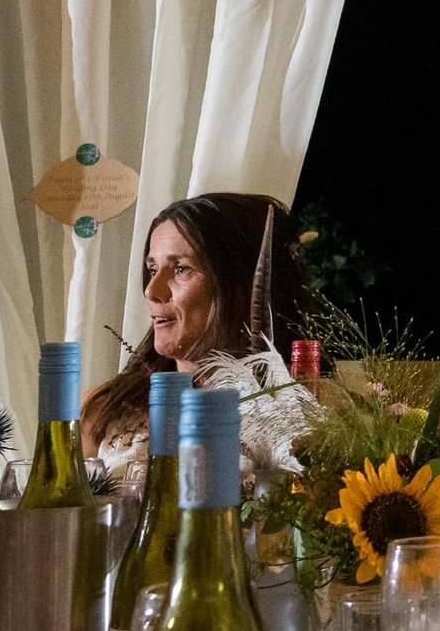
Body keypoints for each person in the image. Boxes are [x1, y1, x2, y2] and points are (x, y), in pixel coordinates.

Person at [84, 192, 304, 485]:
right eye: (152, 269)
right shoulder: (101, 411)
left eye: (180, 269)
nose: (152, 290)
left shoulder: (301, 413)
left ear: (241, 287)